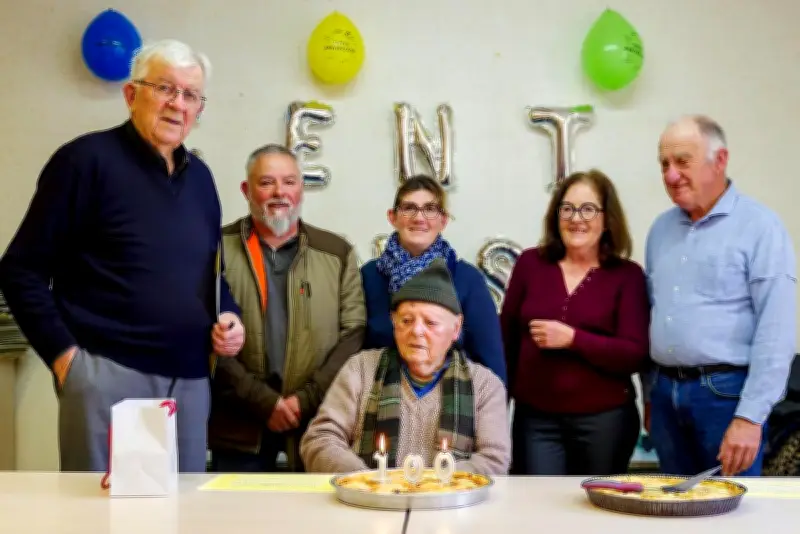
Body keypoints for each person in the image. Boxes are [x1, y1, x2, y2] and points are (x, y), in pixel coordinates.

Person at [0, 39, 245, 473]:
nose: (177, 104)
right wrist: (67, 362)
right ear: (132, 95)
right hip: (107, 374)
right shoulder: (84, 162)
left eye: (190, 95)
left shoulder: (202, 180)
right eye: (165, 88)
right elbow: (21, 270)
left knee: (182, 515)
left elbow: (208, 272)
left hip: (190, 381)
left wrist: (229, 314)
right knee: (103, 517)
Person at [644, 115, 796, 477]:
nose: (670, 175)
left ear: (720, 160)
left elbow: (776, 331)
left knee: (731, 515)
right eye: (664, 164)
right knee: (673, 512)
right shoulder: (660, 229)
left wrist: (750, 417)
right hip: (665, 395)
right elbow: (654, 313)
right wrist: (651, 394)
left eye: (682, 161)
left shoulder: (760, 227)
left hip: (726, 395)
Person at [208, 144, 366, 472]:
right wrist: (263, 401)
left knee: (319, 523)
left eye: (289, 182)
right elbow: (201, 332)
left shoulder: (337, 253)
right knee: (238, 522)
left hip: (319, 424)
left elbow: (354, 335)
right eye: (266, 183)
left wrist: (304, 400)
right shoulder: (216, 248)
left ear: (301, 189)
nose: (280, 192)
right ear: (246, 190)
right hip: (238, 425)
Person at [300, 258, 511, 475]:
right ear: (393, 322)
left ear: (456, 328)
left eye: (430, 323)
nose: (416, 331)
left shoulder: (485, 385)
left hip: (449, 505)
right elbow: (320, 439)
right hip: (369, 502)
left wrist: (434, 486)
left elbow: (493, 459)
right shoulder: (361, 369)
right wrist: (365, 481)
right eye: (406, 321)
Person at [501, 170, 649, 476]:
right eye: (567, 208)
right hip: (536, 421)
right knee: (538, 512)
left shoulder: (627, 276)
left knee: (596, 514)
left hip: (605, 422)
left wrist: (573, 339)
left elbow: (634, 353)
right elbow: (506, 342)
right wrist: (496, 408)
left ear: (607, 219)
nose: (576, 218)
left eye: (588, 209)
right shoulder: (530, 264)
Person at [360, 175, 507, 385]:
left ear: (443, 220)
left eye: (430, 209)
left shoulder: (466, 280)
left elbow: (491, 364)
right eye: (409, 208)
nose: (419, 218)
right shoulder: (370, 276)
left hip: (453, 403)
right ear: (392, 217)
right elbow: (354, 350)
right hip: (380, 401)